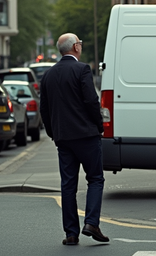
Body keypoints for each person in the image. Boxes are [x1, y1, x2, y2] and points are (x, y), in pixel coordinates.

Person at [39, 33, 109, 246]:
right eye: (80, 42)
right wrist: (99, 125)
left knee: (68, 184)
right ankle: (91, 223)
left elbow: (45, 110)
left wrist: (53, 133)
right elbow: (91, 101)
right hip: (86, 135)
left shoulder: (48, 75)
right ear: (75, 47)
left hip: (64, 139)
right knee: (95, 178)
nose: (81, 46)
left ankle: (71, 233)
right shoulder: (82, 69)